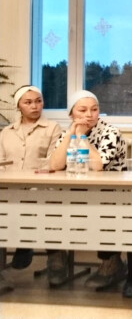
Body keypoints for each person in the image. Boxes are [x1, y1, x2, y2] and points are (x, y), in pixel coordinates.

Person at [48, 90, 128, 291]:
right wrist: (70, 135)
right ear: (71, 114)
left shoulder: (110, 132)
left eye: (94, 109)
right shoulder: (67, 132)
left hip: (110, 193)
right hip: (76, 191)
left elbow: (98, 165)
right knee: (49, 204)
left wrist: (81, 138)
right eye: (82, 110)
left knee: (106, 211)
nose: (89, 115)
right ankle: (57, 258)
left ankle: (111, 263)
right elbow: (55, 165)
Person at [0, 86, 63, 285]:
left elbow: (53, 161)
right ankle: (22, 245)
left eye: (38, 101)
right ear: (18, 106)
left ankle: (55, 260)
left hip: (41, 188)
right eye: (28, 102)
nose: (35, 106)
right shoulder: (6, 132)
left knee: (46, 209)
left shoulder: (52, 128)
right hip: (10, 189)